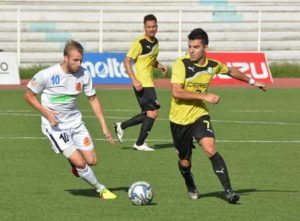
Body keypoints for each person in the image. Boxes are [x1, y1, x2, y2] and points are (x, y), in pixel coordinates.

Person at [169, 28, 266, 203]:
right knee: (184, 162)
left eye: (196, 47)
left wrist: (252, 81)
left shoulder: (212, 65)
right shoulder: (181, 64)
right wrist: (204, 96)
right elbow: (177, 92)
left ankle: (229, 191)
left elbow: (231, 71)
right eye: (189, 46)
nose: (191, 50)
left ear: (205, 47)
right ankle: (189, 183)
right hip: (178, 119)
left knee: (210, 148)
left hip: (199, 115)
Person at [24, 40, 117, 200]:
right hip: (55, 127)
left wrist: (104, 125)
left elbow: (93, 99)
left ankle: (76, 166)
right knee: (81, 163)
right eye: (75, 60)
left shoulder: (84, 74)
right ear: (65, 58)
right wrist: (46, 113)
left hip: (76, 123)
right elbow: (28, 95)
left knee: (92, 160)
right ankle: (100, 189)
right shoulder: (47, 74)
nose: (79, 63)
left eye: (81, 60)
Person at [114, 14, 168, 151]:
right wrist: (134, 80)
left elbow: (150, 59)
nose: (151, 29)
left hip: (149, 83)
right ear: (144, 27)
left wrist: (159, 65)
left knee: (148, 114)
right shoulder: (139, 43)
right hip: (141, 83)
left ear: (157, 27)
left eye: (153, 26)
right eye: (148, 27)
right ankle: (139, 144)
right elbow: (127, 61)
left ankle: (122, 126)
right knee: (152, 113)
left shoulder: (156, 43)